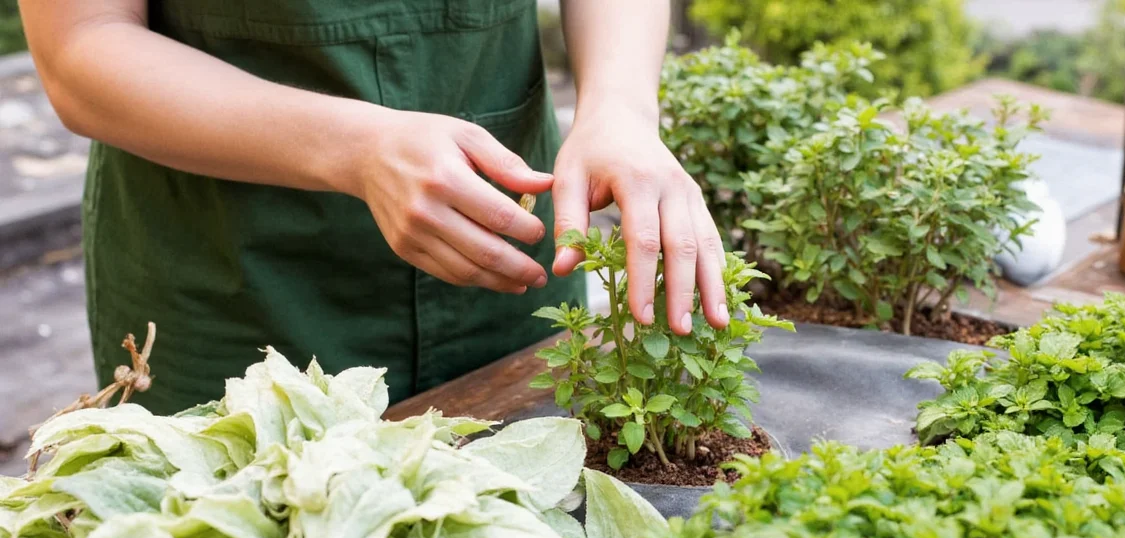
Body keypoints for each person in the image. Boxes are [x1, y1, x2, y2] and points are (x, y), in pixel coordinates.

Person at [20, 0, 729, 414]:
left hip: (505, 264)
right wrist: (355, 148)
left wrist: (620, 106)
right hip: (233, 284)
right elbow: (81, 47)